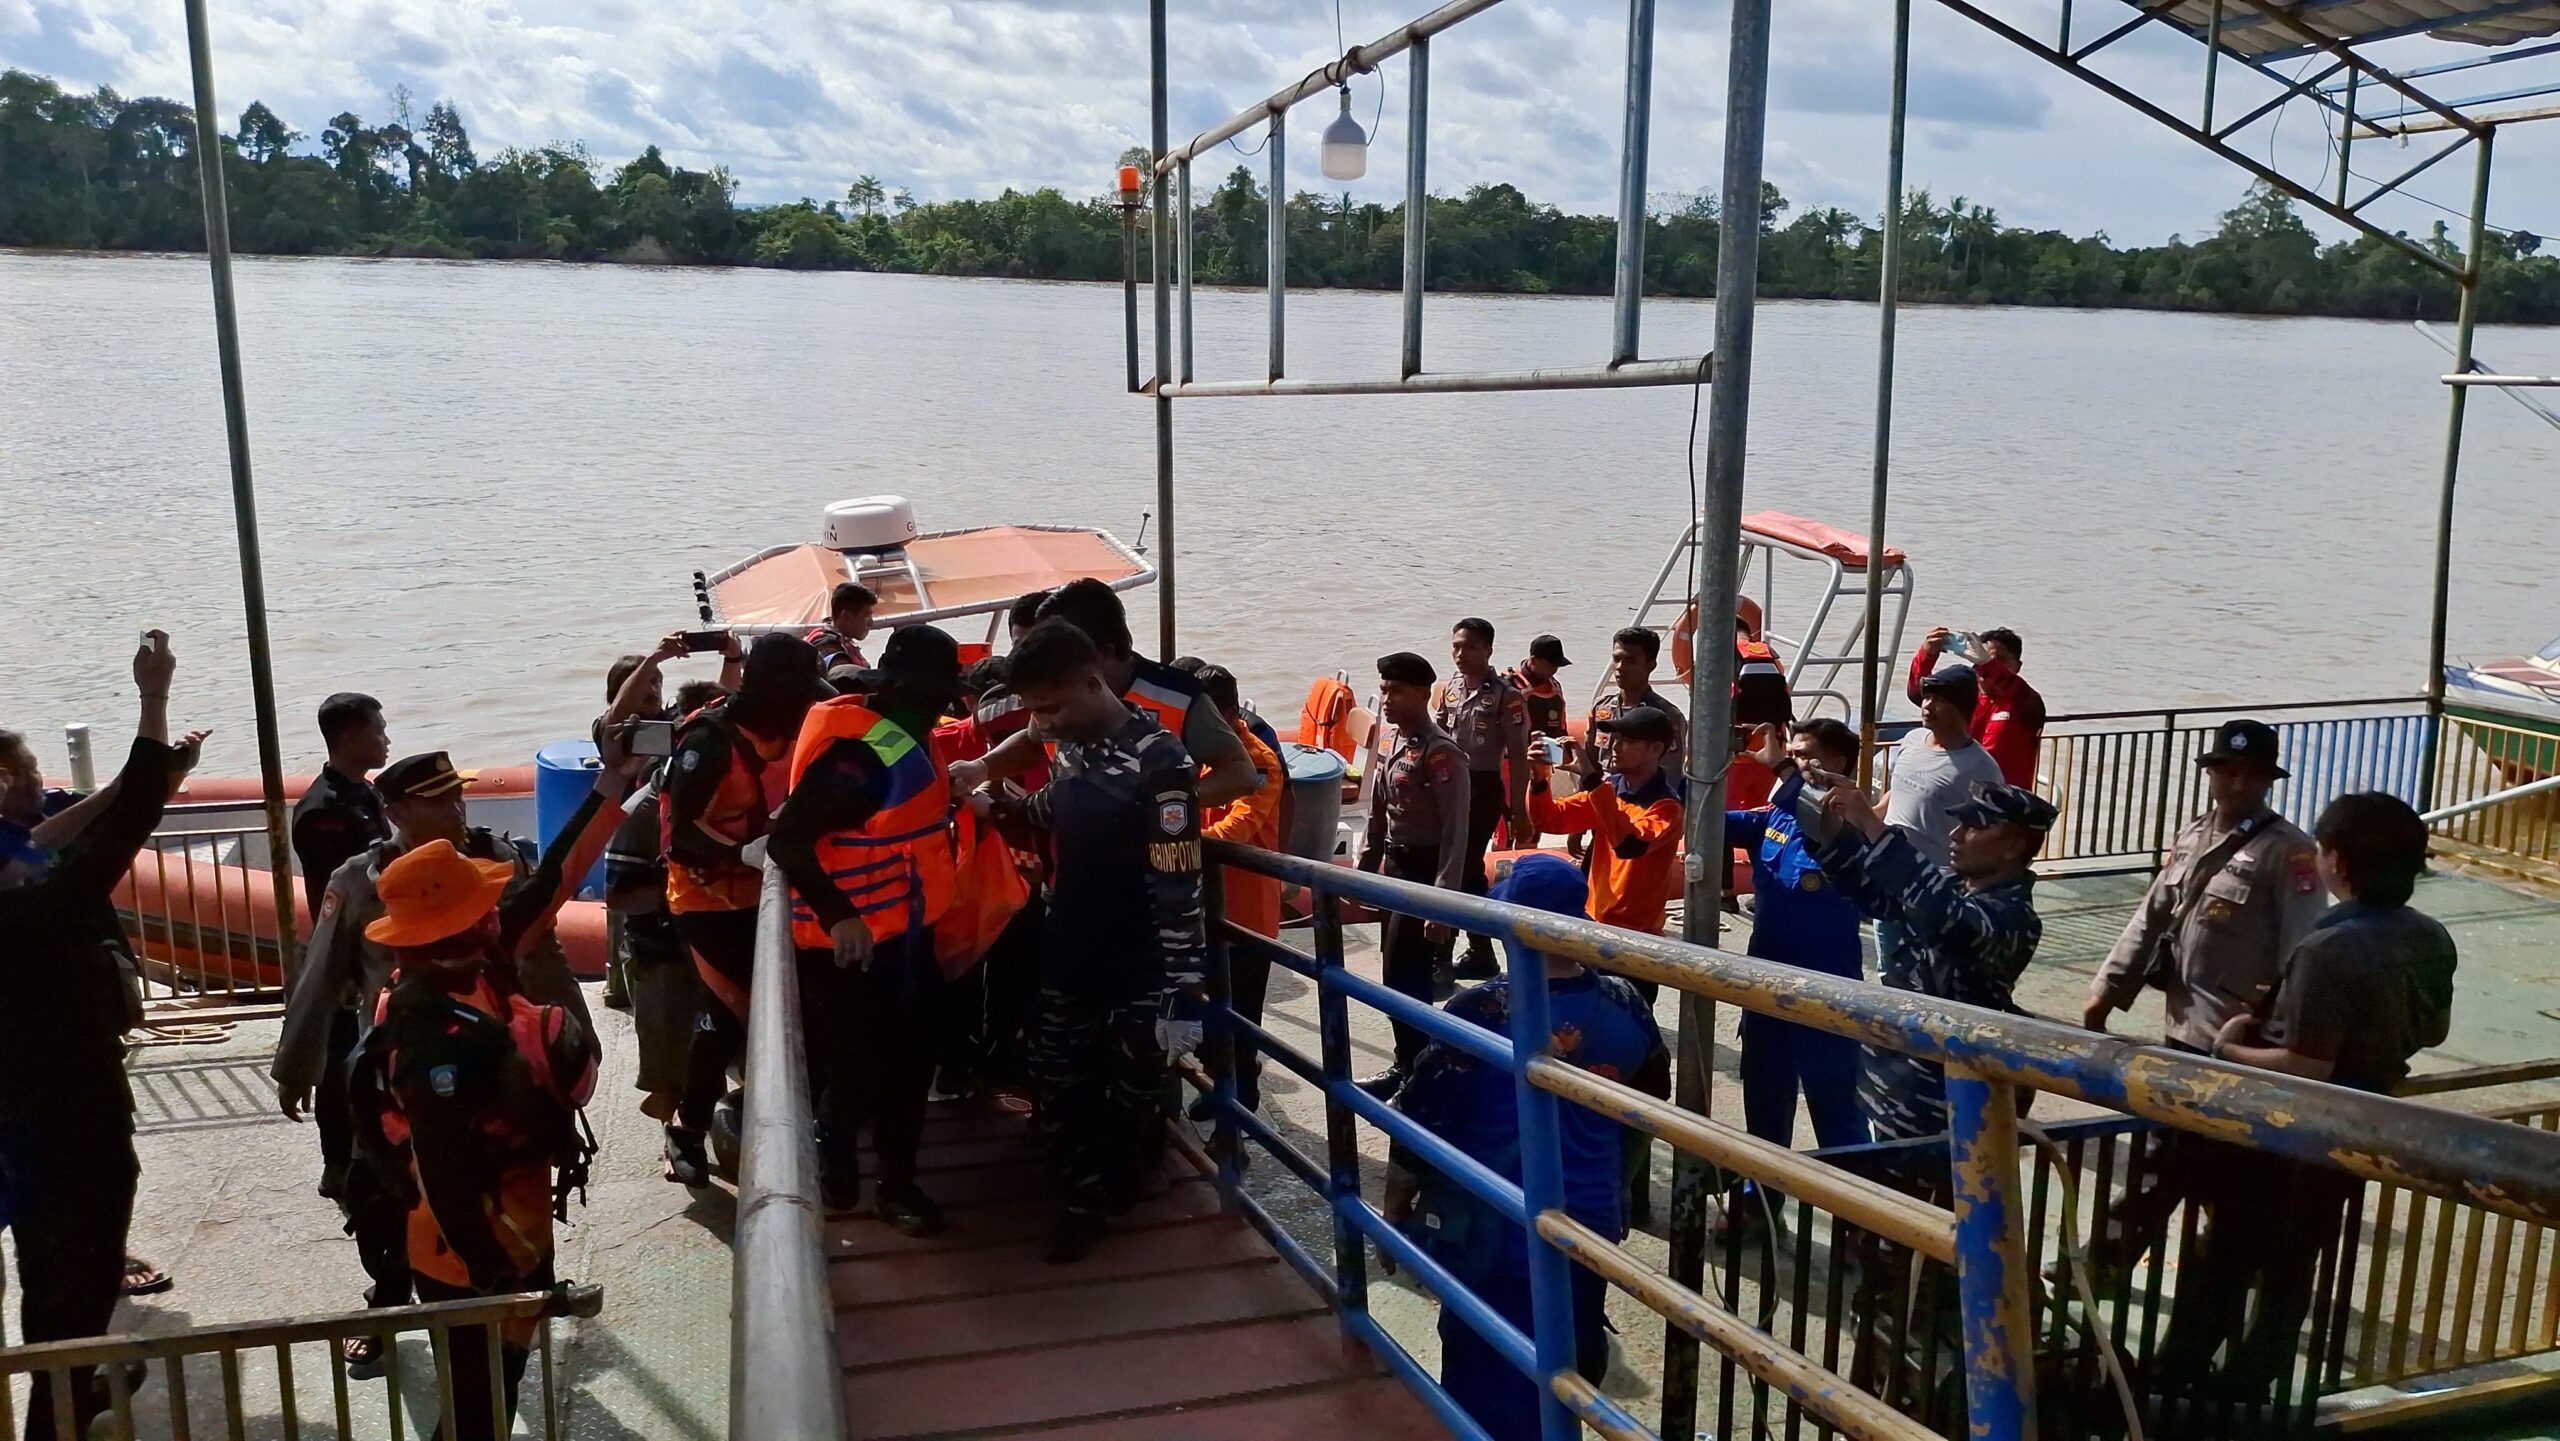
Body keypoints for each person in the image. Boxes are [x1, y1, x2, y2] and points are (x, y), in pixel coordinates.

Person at [345, 732, 636, 1441]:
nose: (496, 906)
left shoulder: (482, 961)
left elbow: (554, 878)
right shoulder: (424, 1036)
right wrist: (491, 1274)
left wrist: (609, 787)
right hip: (465, 1249)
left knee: (499, 1386)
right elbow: (441, 1167)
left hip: (518, 1218)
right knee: (478, 1404)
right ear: (465, 920)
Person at [274, 748, 597, 1375]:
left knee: (484, 1190)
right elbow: (322, 975)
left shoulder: (491, 864)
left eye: (458, 795)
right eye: (439, 799)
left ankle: (502, 1308)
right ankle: (389, 1305)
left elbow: (542, 948)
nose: (456, 808)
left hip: (486, 1070)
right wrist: (296, 1064)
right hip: (398, 1077)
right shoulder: (360, 881)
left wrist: (569, 1040)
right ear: (396, 810)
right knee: (385, 1200)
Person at [2160, 792, 2455, 1399]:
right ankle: (2250, 1382)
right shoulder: (2431, 938)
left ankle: (2175, 1374)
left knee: (2227, 1253)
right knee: (2294, 1262)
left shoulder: (2328, 949)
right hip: (2365, 1123)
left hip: (2291, 1130)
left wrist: (2230, 1048)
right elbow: (2434, 1032)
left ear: (2337, 861)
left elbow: (2308, 1063)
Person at [1384, 854, 1669, 1441]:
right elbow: (1648, 1105)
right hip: (1587, 1221)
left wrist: (1395, 1201)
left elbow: (1424, 1112)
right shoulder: (1625, 1003)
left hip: (1492, 1227)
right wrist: (1616, 1183)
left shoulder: (1481, 1009)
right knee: (1567, 1363)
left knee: (1484, 1369)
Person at [0, 633, 195, 1441]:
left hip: (18, 1125)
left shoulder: (15, 876)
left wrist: (121, 783)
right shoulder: (36, 909)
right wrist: (152, 699)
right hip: (68, 1117)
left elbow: (42, 839)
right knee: (76, 1275)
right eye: (24, 774)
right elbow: (124, 827)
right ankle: (58, 1413)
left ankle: (70, 1389)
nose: (36, 784)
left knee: (44, 1269)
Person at [973, 620, 1208, 1263]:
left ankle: (1115, 1183)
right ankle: (1082, 1194)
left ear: (1091, 682)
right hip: (1070, 945)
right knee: (1057, 1077)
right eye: (1035, 711)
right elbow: (1054, 808)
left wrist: (1185, 988)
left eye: (1051, 708)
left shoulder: (1161, 761)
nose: (1042, 723)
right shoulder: (1070, 744)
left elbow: (1178, 878)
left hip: (1140, 957)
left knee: (1133, 1084)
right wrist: (990, 800)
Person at [2082, 718, 2324, 1279]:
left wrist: (2277, 1038)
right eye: (2226, 771)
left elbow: (2302, 953)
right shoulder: (2194, 836)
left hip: (2236, 1043)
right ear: (2210, 773)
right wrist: (2106, 991)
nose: (2236, 784)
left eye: (2250, 775)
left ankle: (2107, 1266)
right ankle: (2180, 1268)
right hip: (2182, 1030)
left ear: (2267, 781)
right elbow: (2150, 919)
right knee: (2185, 1157)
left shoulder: (2288, 853)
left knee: (2179, 1158)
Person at [769, 624, 969, 1231]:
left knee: (908, 1064)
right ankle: (846, 1173)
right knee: (858, 1069)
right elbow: (788, 839)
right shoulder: (856, 759)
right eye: (933, 697)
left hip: (906, 936)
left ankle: (890, 1182)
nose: (940, 709)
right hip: (853, 949)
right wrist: (841, 916)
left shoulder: (905, 736)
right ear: (902, 691)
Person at [661, 632, 832, 1160]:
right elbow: (678, 836)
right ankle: (688, 1129)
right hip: (706, 901)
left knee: (805, 1003)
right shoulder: (708, 742)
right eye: (801, 696)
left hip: (770, 891)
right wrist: (741, 853)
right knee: (731, 1012)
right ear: (774, 693)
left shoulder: (792, 734)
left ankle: (804, 1114)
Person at [1806, 777, 2050, 1141]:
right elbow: (1877, 896)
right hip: (1898, 1084)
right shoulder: (1952, 885)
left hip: (1949, 1102)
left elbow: (1944, 913)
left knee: (1936, 1180)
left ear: (2013, 846)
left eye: (1974, 826)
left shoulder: (2013, 918)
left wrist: (1872, 824)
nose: (1955, 835)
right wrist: (1833, 835)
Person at [952, 577, 1256, 807]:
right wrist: (981, 768)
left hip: (1153, 862)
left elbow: (1240, 773)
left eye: (1059, 653)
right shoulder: (1055, 695)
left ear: (1105, 653)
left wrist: (1160, 804)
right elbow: (1033, 742)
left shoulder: (1179, 696)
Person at [284, 693, 394, 1259]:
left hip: (377, 950)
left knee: (364, 1057)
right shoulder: (324, 811)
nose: (386, 739)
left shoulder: (365, 795)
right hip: (347, 954)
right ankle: (338, 1162)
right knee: (341, 1064)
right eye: (378, 729)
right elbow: (339, 898)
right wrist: (348, 968)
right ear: (350, 737)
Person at [1727, 721, 1870, 1155]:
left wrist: (1783, 769)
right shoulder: (1776, 816)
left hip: (1825, 992)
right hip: (1767, 986)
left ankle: (1853, 1194)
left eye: (1807, 755)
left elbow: (1823, 824)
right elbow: (1707, 820)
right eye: (1794, 754)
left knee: (1837, 1110)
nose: (1798, 762)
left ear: (1839, 762)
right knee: (1765, 1105)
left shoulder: (1853, 823)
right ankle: (1760, 1192)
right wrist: (1699, 768)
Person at [1354, 651, 1471, 1101]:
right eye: (1384, 690)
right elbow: (1378, 809)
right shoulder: (1391, 742)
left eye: (1398, 691)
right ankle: (1408, 1063)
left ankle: (1418, 1073)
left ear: (1423, 694)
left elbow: (1456, 831)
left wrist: (1442, 901)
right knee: (1395, 972)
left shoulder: (1441, 753)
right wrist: (1367, 864)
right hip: (1396, 867)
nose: (1387, 699)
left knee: (1409, 978)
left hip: (1425, 873)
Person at [1191, 663, 1285, 1116]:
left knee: (1242, 1015)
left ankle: (1242, 1099)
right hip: (1208, 905)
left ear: (1228, 714)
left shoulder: (1258, 761)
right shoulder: (1202, 754)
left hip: (1247, 913)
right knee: (1209, 1011)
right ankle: (1219, 1086)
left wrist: (1177, 841)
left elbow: (1240, 825)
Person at [1525, 706, 1682, 940]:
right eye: (1616, 739)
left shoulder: (1667, 807)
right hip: (1593, 918)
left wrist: (1591, 779)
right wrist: (1539, 779)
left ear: (1656, 749)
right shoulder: (1611, 789)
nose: (1615, 747)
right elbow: (1550, 820)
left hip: (1636, 933)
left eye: (1628, 741)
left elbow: (1629, 846)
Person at [1432, 618, 1533, 981]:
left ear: (1488, 650)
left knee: (1458, 865)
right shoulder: (1451, 688)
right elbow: (1437, 737)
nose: (1461, 654)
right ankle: (1481, 950)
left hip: (1482, 787)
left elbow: (1518, 755)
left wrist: (1519, 810)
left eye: (1470, 647)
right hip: (1447, 786)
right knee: (1464, 868)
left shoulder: (1507, 696)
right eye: (1456, 646)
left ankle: (1443, 955)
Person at [1908, 626, 2045, 788]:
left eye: (1999, 660)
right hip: (1961, 792)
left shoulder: (2025, 702)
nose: (1987, 664)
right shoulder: (1965, 699)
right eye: (1981, 657)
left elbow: (2015, 688)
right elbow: (1919, 694)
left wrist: (1987, 664)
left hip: (2005, 797)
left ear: (2017, 666)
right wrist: (1927, 654)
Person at [1577, 626, 1687, 793]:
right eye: (1616, 659)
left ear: (1650, 665)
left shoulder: (1667, 716)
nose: (1620, 667)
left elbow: (1670, 777)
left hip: (1641, 800)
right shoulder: (1601, 708)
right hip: (1602, 798)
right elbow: (1591, 763)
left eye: (1630, 661)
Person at [1507, 633, 1572, 743]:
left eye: (1557, 666)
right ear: (1534, 660)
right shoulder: (1509, 685)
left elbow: (1562, 728)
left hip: (1552, 749)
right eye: (1551, 666)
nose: (1555, 671)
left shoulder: (1555, 686)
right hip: (1522, 750)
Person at [808, 581, 879, 675]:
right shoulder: (826, 645)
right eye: (866, 616)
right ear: (847, 616)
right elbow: (843, 679)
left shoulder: (840, 638)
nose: (871, 623)